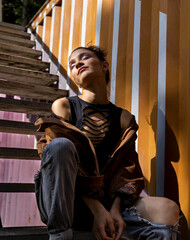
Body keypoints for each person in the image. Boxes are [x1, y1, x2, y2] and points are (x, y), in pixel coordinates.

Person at [34, 46, 181, 240]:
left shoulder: (123, 118)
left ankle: (115, 228)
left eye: (84, 57)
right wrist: (97, 210)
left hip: (107, 200)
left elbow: (128, 169)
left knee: (168, 209)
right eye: (72, 64)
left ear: (104, 66)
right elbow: (52, 156)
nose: (77, 63)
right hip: (66, 201)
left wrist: (115, 210)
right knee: (60, 146)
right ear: (74, 80)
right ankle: (60, 236)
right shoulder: (64, 106)